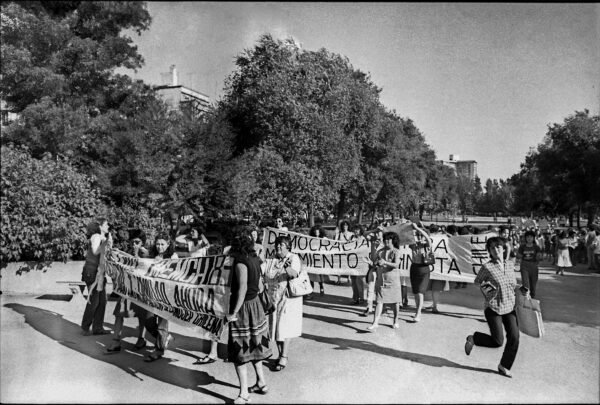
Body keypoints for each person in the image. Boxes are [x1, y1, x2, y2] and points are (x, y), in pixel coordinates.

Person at [226, 231, 272, 404]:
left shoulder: (240, 262)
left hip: (244, 308)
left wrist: (233, 313)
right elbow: (260, 285)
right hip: (256, 306)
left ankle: (244, 393)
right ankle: (261, 383)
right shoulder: (255, 258)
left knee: (240, 352)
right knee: (255, 347)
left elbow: (242, 288)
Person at [464, 237, 520, 378]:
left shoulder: (509, 265)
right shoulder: (487, 267)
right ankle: (474, 338)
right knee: (497, 341)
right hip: (493, 307)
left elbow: (512, 284)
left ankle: (504, 366)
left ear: (503, 248)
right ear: (489, 251)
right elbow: (478, 282)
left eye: (498, 247)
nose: (496, 250)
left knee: (514, 337)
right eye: (492, 248)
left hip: (510, 306)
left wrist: (522, 289)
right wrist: (490, 291)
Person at [106, 232, 151, 353]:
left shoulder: (144, 253)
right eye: (133, 242)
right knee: (119, 314)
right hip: (127, 289)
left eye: (137, 242)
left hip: (140, 290)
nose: (134, 244)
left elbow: (144, 266)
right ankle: (116, 340)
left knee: (142, 316)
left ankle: (141, 339)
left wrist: (136, 253)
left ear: (142, 243)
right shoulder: (127, 252)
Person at [263, 235, 303, 372]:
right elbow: (262, 270)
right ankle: (281, 355)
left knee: (284, 327)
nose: (278, 247)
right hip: (274, 298)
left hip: (288, 298)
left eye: (282, 245)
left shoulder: (293, 258)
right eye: (277, 245)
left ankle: (284, 357)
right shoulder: (271, 260)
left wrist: (286, 267)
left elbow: (293, 274)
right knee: (275, 327)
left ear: (288, 247)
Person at [142, 232, 178, 362]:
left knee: (162, 324)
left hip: (166, 294)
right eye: (158, 244)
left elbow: (175, 273)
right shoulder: (151, 255)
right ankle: (165, 338)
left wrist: (162, 263)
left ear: (168, 244)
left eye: (163, 244)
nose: (160, 246)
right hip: (152, 293)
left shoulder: (173, 256)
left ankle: (158, 350)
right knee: (149, 322)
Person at [80, 217, 112, 336]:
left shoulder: (102, 238)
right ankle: (85, 327)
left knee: (102, 301)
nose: (108, 226)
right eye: (106, 224)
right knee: (94, 301)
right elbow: (95, 251)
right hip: (92, 272)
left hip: (99, 272)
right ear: (100, 227)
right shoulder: (97, 237)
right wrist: (106, 244)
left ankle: (97, 328)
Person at [366, 232, 402, 331]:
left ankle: (396, 320)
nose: (386, 241)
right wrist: (371, 263)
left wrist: (385, 262)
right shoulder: (380, 251)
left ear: (393, 240)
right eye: (385, 239)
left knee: (395, 302)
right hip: (381, 278)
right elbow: (376, 264)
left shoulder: (396, 251)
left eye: (388, 239)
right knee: (378, 301)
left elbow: (396, 264)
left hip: (393, 280)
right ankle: (375, 323)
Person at [409, 222, 432, 322]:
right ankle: (417, 311)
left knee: (420, 292)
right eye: (418, 235)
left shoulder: (427, 244)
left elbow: (427, 237)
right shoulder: (413, 244)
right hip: (414, 267)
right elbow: (407, 238)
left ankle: (418, 313)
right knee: (415, 292)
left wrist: (418, 228)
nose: (420, 237)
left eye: (421, 235)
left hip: (424, 269)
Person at [360, 227, 384, 317]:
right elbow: (364, 234)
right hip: (372, 268)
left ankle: (381, 306)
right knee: (370, 289)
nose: (377, 234)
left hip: (382, 269)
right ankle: (368, 307)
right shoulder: (373, 241)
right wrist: (374, 230)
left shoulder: (386, 243)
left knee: (380, 289)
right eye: (376, 233)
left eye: (379, 233)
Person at [427, 224, 450, 312]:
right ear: (438, 230)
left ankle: (433, 304)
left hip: (429, 265)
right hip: (440, 266)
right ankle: (434, 305)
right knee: (436, 289)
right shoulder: (444, 238)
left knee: (430, 287)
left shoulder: (427, 238)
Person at [516, 230, 542, 298]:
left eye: (531, 237)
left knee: (533, 284)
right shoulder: (522, 247)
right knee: (525, 283)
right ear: (525, 238)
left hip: (534, 266)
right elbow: (518, 256)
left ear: (533, 238)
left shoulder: (536, 247)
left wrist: (538, 257)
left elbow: (540, 257)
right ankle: (526, 298)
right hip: (524, 266)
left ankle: (532, 297)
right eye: (527, 237)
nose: (529, 238)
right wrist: (522, 255)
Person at [306, 224, 327, 299]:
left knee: (319, 275)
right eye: (315, 231)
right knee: (311, 275)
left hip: (320, 259)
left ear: (320, 231)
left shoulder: (324, 238)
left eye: (318, 231)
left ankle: (321, 286)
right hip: (312, 259)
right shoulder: (311, 239)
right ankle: (310, 291)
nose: (316, 232)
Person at [350, 224, 366, 305]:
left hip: (361, 262)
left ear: (360, 230)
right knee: (353, 281)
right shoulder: (351, 238)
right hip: (352, 262)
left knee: (360, 281)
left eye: (358, 229)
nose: (356, 231)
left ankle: (361, 297)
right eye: (355, 229)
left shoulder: (364, 239)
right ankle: (355, 298)